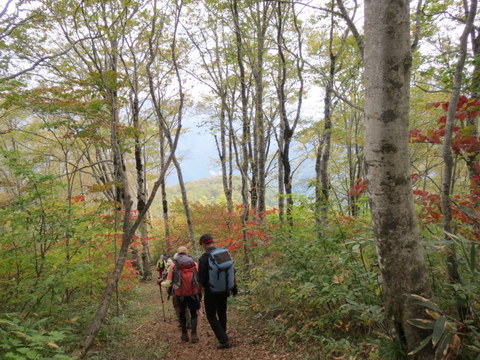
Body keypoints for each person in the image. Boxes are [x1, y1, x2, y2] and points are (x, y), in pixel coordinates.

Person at [198, 233, 237, 349]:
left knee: (210, 315)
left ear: (204, 244)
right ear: (213, 242)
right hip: (225, 289)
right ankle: (223, 334)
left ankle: (223, 340)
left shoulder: (204, 258)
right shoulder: (224, 253)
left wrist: (198, 293)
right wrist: (234, 287)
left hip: (211, 291)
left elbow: (200, 279)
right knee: (222, 312)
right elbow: (233, 272)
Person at [162, 246, 200, 343]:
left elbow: (168, 283)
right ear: (187, 253)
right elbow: (199, 279)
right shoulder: (195, 264)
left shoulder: (174, 265)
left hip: (179, 294)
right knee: (194, 313)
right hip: (193, 292)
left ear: (178, 254)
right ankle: (194, 334)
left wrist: (160, 282)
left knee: (182, 314)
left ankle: (184, 335)